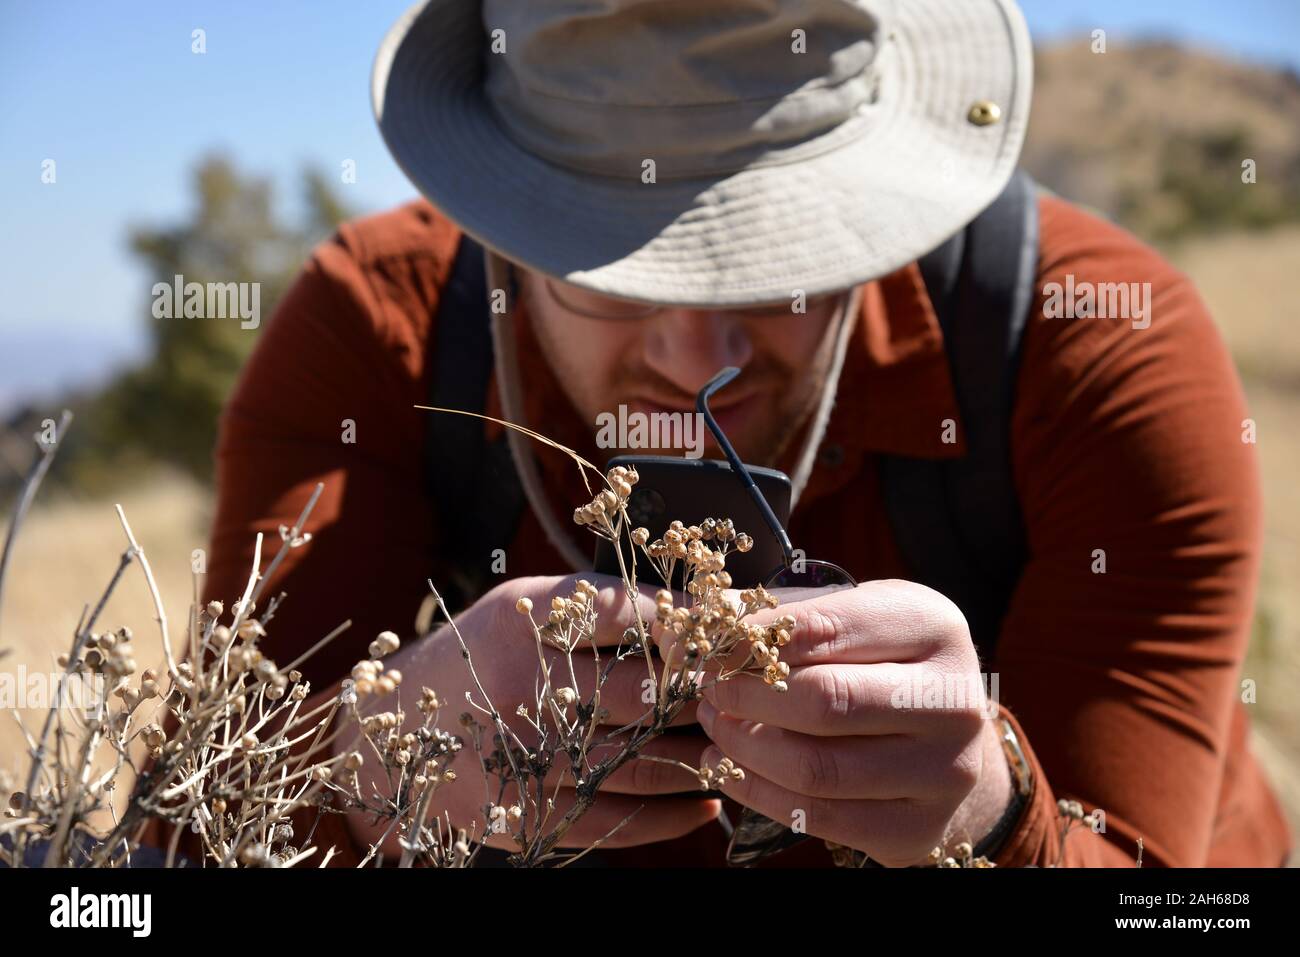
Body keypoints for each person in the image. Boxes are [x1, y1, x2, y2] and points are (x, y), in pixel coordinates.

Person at [202, 0, 1290, 866]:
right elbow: (185, 840)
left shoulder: (1090, 352)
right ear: (502, 228)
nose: (694, 353)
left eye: (780, 265)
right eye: (609, 270)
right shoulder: (374, 335)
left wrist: (995, 819)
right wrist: (364, 769)